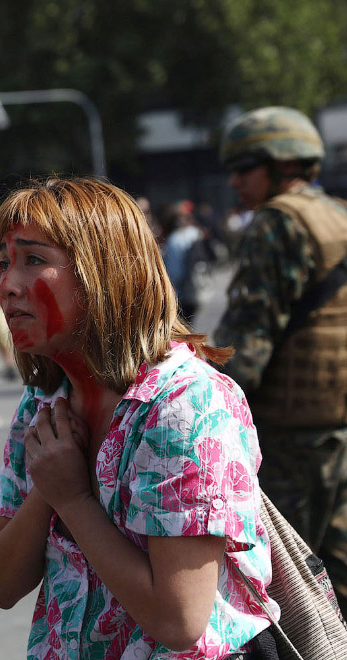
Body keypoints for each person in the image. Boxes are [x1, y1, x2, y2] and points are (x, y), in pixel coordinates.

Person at [0, 177, 275, 659]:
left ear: (104, 272)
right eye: (4, 263)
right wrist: (47, 490)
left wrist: (72, 499)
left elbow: (178, 620)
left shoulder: (183, 405)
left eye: (34, 260)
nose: (8, 287)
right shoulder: (43, 402)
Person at [214, 106, 347, 611]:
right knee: (336, 570)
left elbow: (248, 337)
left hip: (293, 437)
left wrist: (209, 410)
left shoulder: (275, 224)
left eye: (245, 167)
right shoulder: (336, 213)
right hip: (336, 422)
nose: (234, 181)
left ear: (283, 164)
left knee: (281, 584)